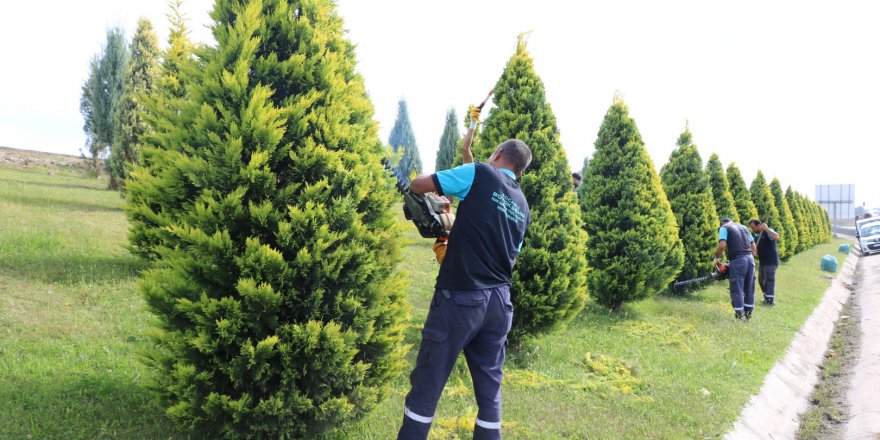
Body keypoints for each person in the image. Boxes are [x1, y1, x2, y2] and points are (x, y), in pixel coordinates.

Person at [398, 138, 532, 440]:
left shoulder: (480, 173)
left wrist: (445, 225)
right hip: (499, 304)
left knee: (427, 385)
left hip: (461, 298)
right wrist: (455, 232)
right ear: (519, 171)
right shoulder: (523, 206)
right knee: (489, 396)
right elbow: (507, 251)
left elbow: (419, 184)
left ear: (497, 154)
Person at [714, 217, 757, 320]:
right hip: (750, 259)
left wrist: (715, 259)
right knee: (749, 287)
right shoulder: (744, 228)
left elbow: (722, 245)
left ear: (722, 223)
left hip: (738, 260)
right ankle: (748, 314)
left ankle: (740, 315)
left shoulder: (724, 227)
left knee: (736, 287)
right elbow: (753, 247)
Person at [749, 218, 780, 306]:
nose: (752, 229)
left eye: (753, 227)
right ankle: (767, 298)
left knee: (769, 279)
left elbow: (776, 237)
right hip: (763, 261)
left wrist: (766, 229)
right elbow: (755, 249)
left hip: (771, 261)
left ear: (759, 225)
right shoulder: (755, 235)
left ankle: (770, 301)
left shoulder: (768, 231)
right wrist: (755, 252)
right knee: (761, 280)